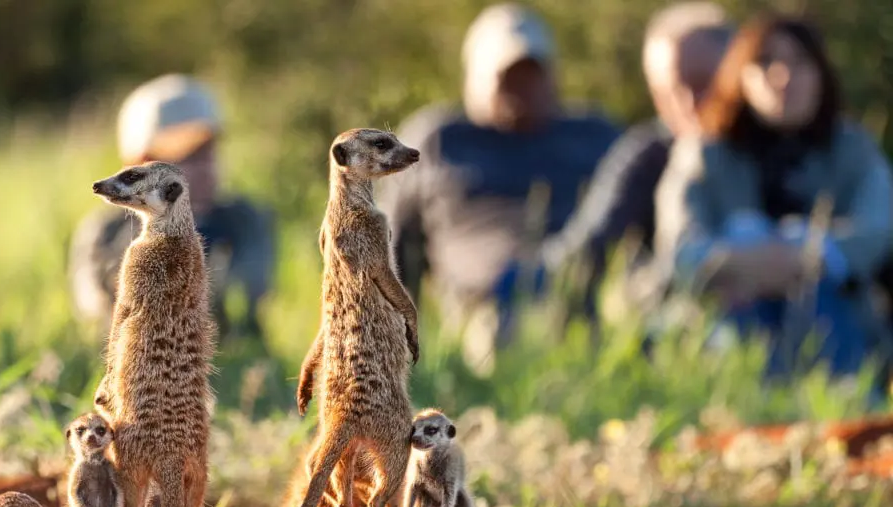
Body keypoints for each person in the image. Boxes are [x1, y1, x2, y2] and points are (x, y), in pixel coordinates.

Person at [376, 3, 621, 374]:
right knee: (505, 336)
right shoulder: (439, 139)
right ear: (474, 78)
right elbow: (392, 241)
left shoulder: (593, 137)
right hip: (483, 310)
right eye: (507, 77)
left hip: (581, 298)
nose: (521, 90)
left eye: (531, 74)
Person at [654, 15, 893, 388]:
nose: (782, 76)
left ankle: (844, 416)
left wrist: (807, 253)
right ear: (739, 76)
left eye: (799, 62)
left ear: (821, 74)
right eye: (764, 62)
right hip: (728, 319)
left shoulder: (854, 149)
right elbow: (680, 249)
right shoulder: (704, 153)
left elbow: (877, 230)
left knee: (819, 302)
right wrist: (745, 259)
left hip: (837, 321)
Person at [542, 2, 734, 328]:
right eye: (671, 91)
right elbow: (585, 250)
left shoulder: (788, 145)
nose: (688, 103)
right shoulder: (647, 156)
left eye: (703, 82)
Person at [68, 74, 275, 343]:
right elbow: (94, 305)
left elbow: (250, 290)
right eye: (179, 159)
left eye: (205, 153)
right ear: (137, 165)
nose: (200, 169)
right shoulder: (106, 231)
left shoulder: (242, 220)